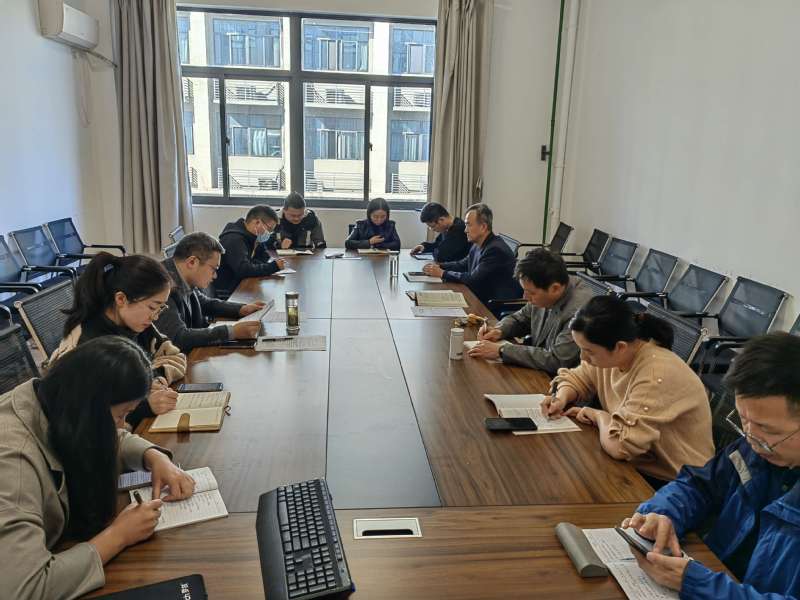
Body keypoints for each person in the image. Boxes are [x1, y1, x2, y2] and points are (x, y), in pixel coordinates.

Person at [0, 336, 196, 599]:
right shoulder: (13, 466)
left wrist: (153, 457)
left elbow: (107, 432)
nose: (122, 426)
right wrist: (118, 536)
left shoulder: (54, 397)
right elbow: (24, 589)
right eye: (120, 415)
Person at [542, 295, 713, 486]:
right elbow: (579, 378)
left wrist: (599, 416)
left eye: (589, 351)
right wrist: (561, 398)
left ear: (620, 347)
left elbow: (620, 446)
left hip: (676, 483)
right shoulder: (612, 354)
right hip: (636, 466)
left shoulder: (655, 374)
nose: (583, 357)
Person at [50, 252, 187, 430]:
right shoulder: (87, 345)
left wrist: (154, 378)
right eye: (152, 307)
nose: (155, 317)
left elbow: (175, 356)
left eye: (161, 308)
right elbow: (84, 416)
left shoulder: (136, 324)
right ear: (121, 299)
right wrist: (145, 405)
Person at [468, 249, 595, 373]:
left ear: (555, 288)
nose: (525, 297)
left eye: (531, 293)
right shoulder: (544, 288)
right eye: (524, 290)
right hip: (538, 370)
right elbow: (520, 318)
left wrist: (501, 351)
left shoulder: (579, 311)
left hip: (562, 380)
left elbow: (557, 360)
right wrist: (499, 330)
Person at [155, 232, 268, 353]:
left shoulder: (182, 275)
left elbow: (204, 303)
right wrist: (231, 332)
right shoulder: (162, 285)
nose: (215, 276)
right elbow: (177, 338)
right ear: (192, 262)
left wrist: (241, 309)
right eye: (214, 269)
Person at [422, 203, 521, 307]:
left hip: (492, 305)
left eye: (468, 225)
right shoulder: (478, 244)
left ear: (483, 227)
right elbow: (462, 264)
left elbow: (473, 279)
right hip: (478, 296)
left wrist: (443, 273)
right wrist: (439, 266)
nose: (465, 230)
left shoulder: (495, 250)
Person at [216, 205, 287, 299]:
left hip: (241, 286)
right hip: (230, 293)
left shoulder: (252, 236)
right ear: (257, 222)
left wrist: (258, 244)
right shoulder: (234, 239)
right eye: (269, 229)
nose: (269, 234)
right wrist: (273, 267)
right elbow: (243, 269)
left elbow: (263, 258)